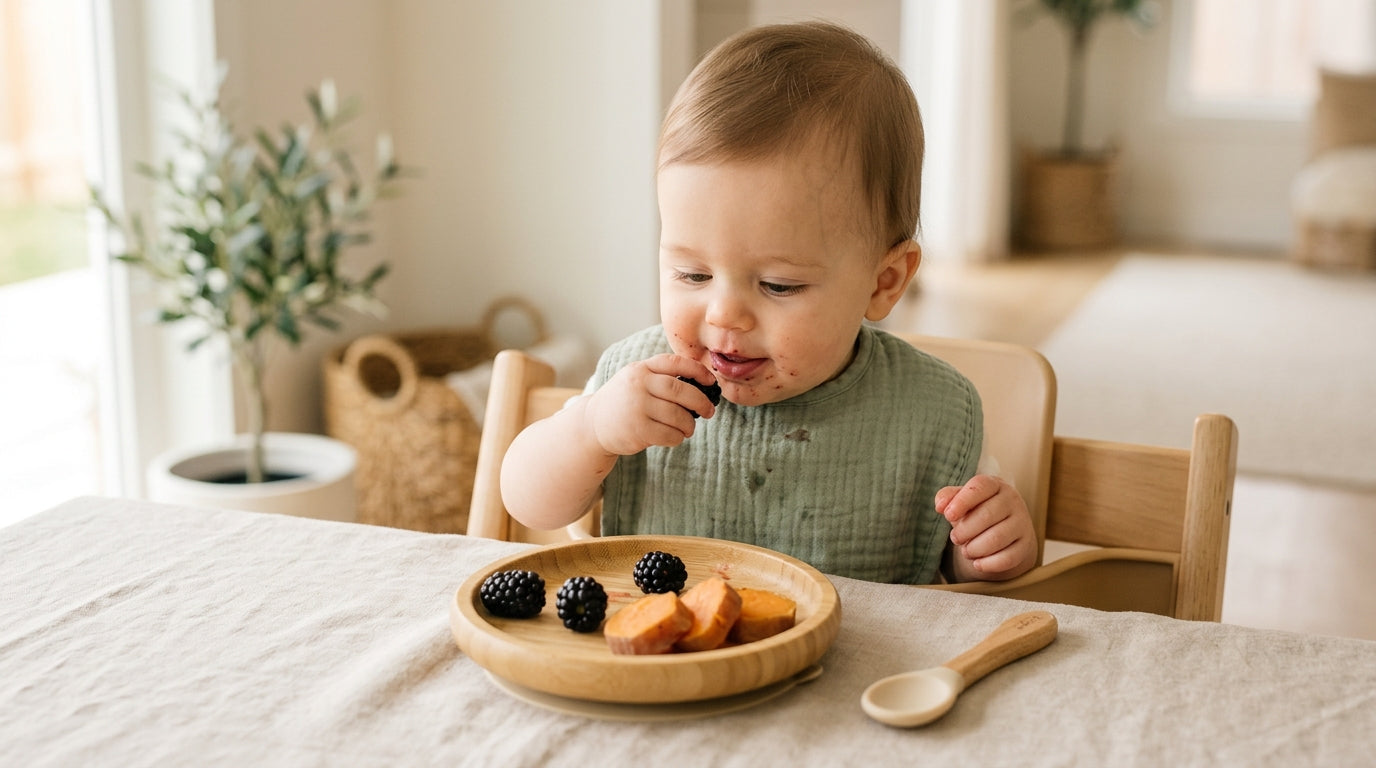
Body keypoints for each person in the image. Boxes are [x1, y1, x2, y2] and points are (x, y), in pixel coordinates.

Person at [501, 21, 1036, 585]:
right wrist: (590, 429)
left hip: (860, 670)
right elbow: (527, 502)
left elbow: (967, 583)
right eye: (693, 273)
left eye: (779, 285)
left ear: (884, 282)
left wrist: (986, 551)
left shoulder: (932, 414)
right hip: (664, 662)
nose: (723, 315)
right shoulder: (635, 388)